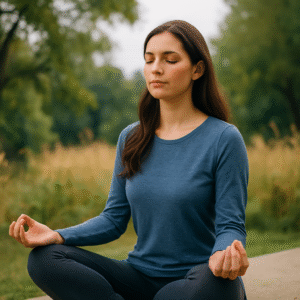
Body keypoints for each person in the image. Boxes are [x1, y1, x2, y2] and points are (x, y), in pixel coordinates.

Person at [9, 20, 249, 300]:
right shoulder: (131, 137)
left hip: (196, 281)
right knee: (44, 259)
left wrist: (225, 252)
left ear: (197, 69)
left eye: (170, 60)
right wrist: (58, 236)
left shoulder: (224, 138)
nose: (156, 68)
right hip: (138, 277)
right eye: (149, 60)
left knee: (215, 285)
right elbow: (113, 219)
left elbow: (230, 224)